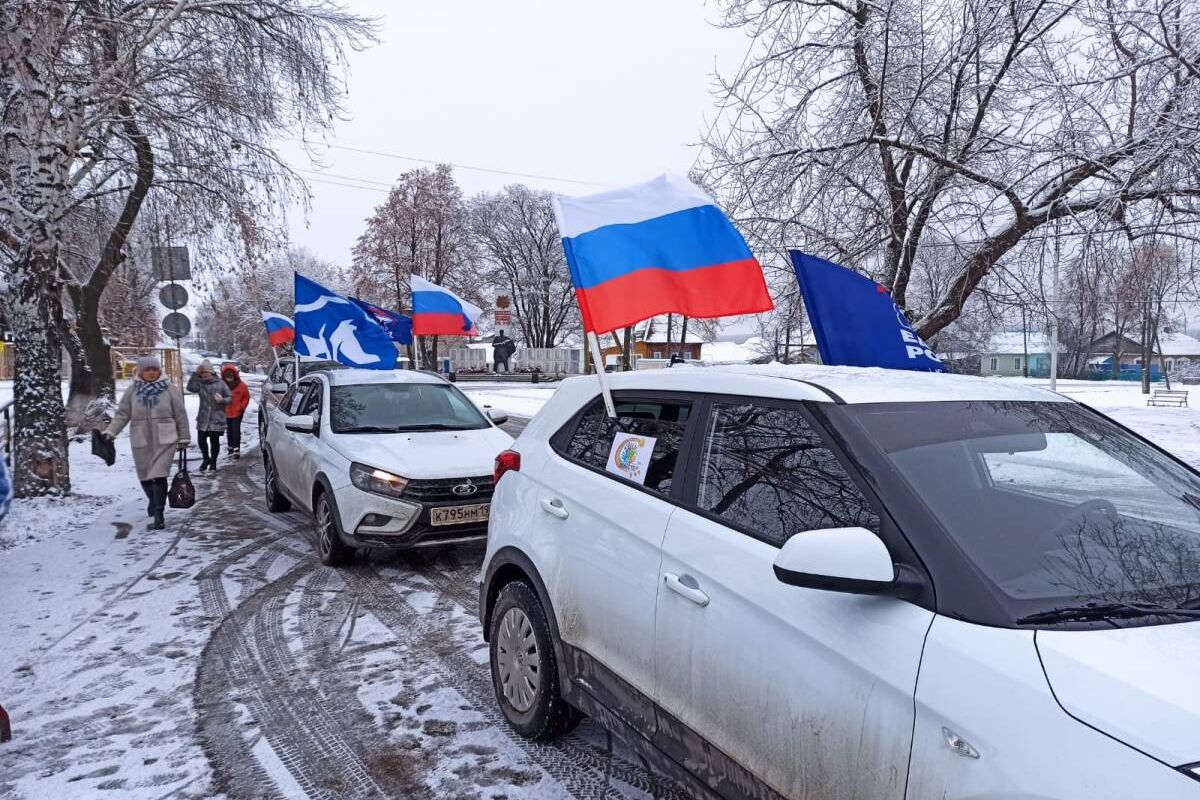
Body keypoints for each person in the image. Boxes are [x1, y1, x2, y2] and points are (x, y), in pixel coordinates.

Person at [104, 356, 190, 529]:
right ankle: (153, 499)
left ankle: (159, 515)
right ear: (140, 372)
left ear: (159, 370)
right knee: (144, 476)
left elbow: (181, 414)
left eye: (154, 369)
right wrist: (111, 432)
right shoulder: (132, 391)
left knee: (159, 475)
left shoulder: (170, 389)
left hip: (165, 439)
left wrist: (184, 437)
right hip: (141, 438)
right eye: (147, 370)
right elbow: (122, 414)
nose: (152, 373)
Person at [187, 359, 231, 472]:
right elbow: (190, 388)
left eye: (207, 373)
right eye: (202, 373)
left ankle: (213, 463)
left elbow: (229, 397)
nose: (205, 375)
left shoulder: (221, 383)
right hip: (203, 417)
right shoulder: (200, 384)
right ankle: (206, 459)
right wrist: (195, 374)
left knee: (214, 441)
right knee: (201, 441)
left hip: (217, 418)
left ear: (212, 372)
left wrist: (222, 400)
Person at [221, 363, 250, 460]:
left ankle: (236, 449)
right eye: (227, 378)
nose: (229, 379)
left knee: (236, 430)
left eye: (231, 377)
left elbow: (246, 397)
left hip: (238, 412)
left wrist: (242, 407)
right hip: (226, 412)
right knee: (229, 431)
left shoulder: (241, 385)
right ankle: (230, 447)